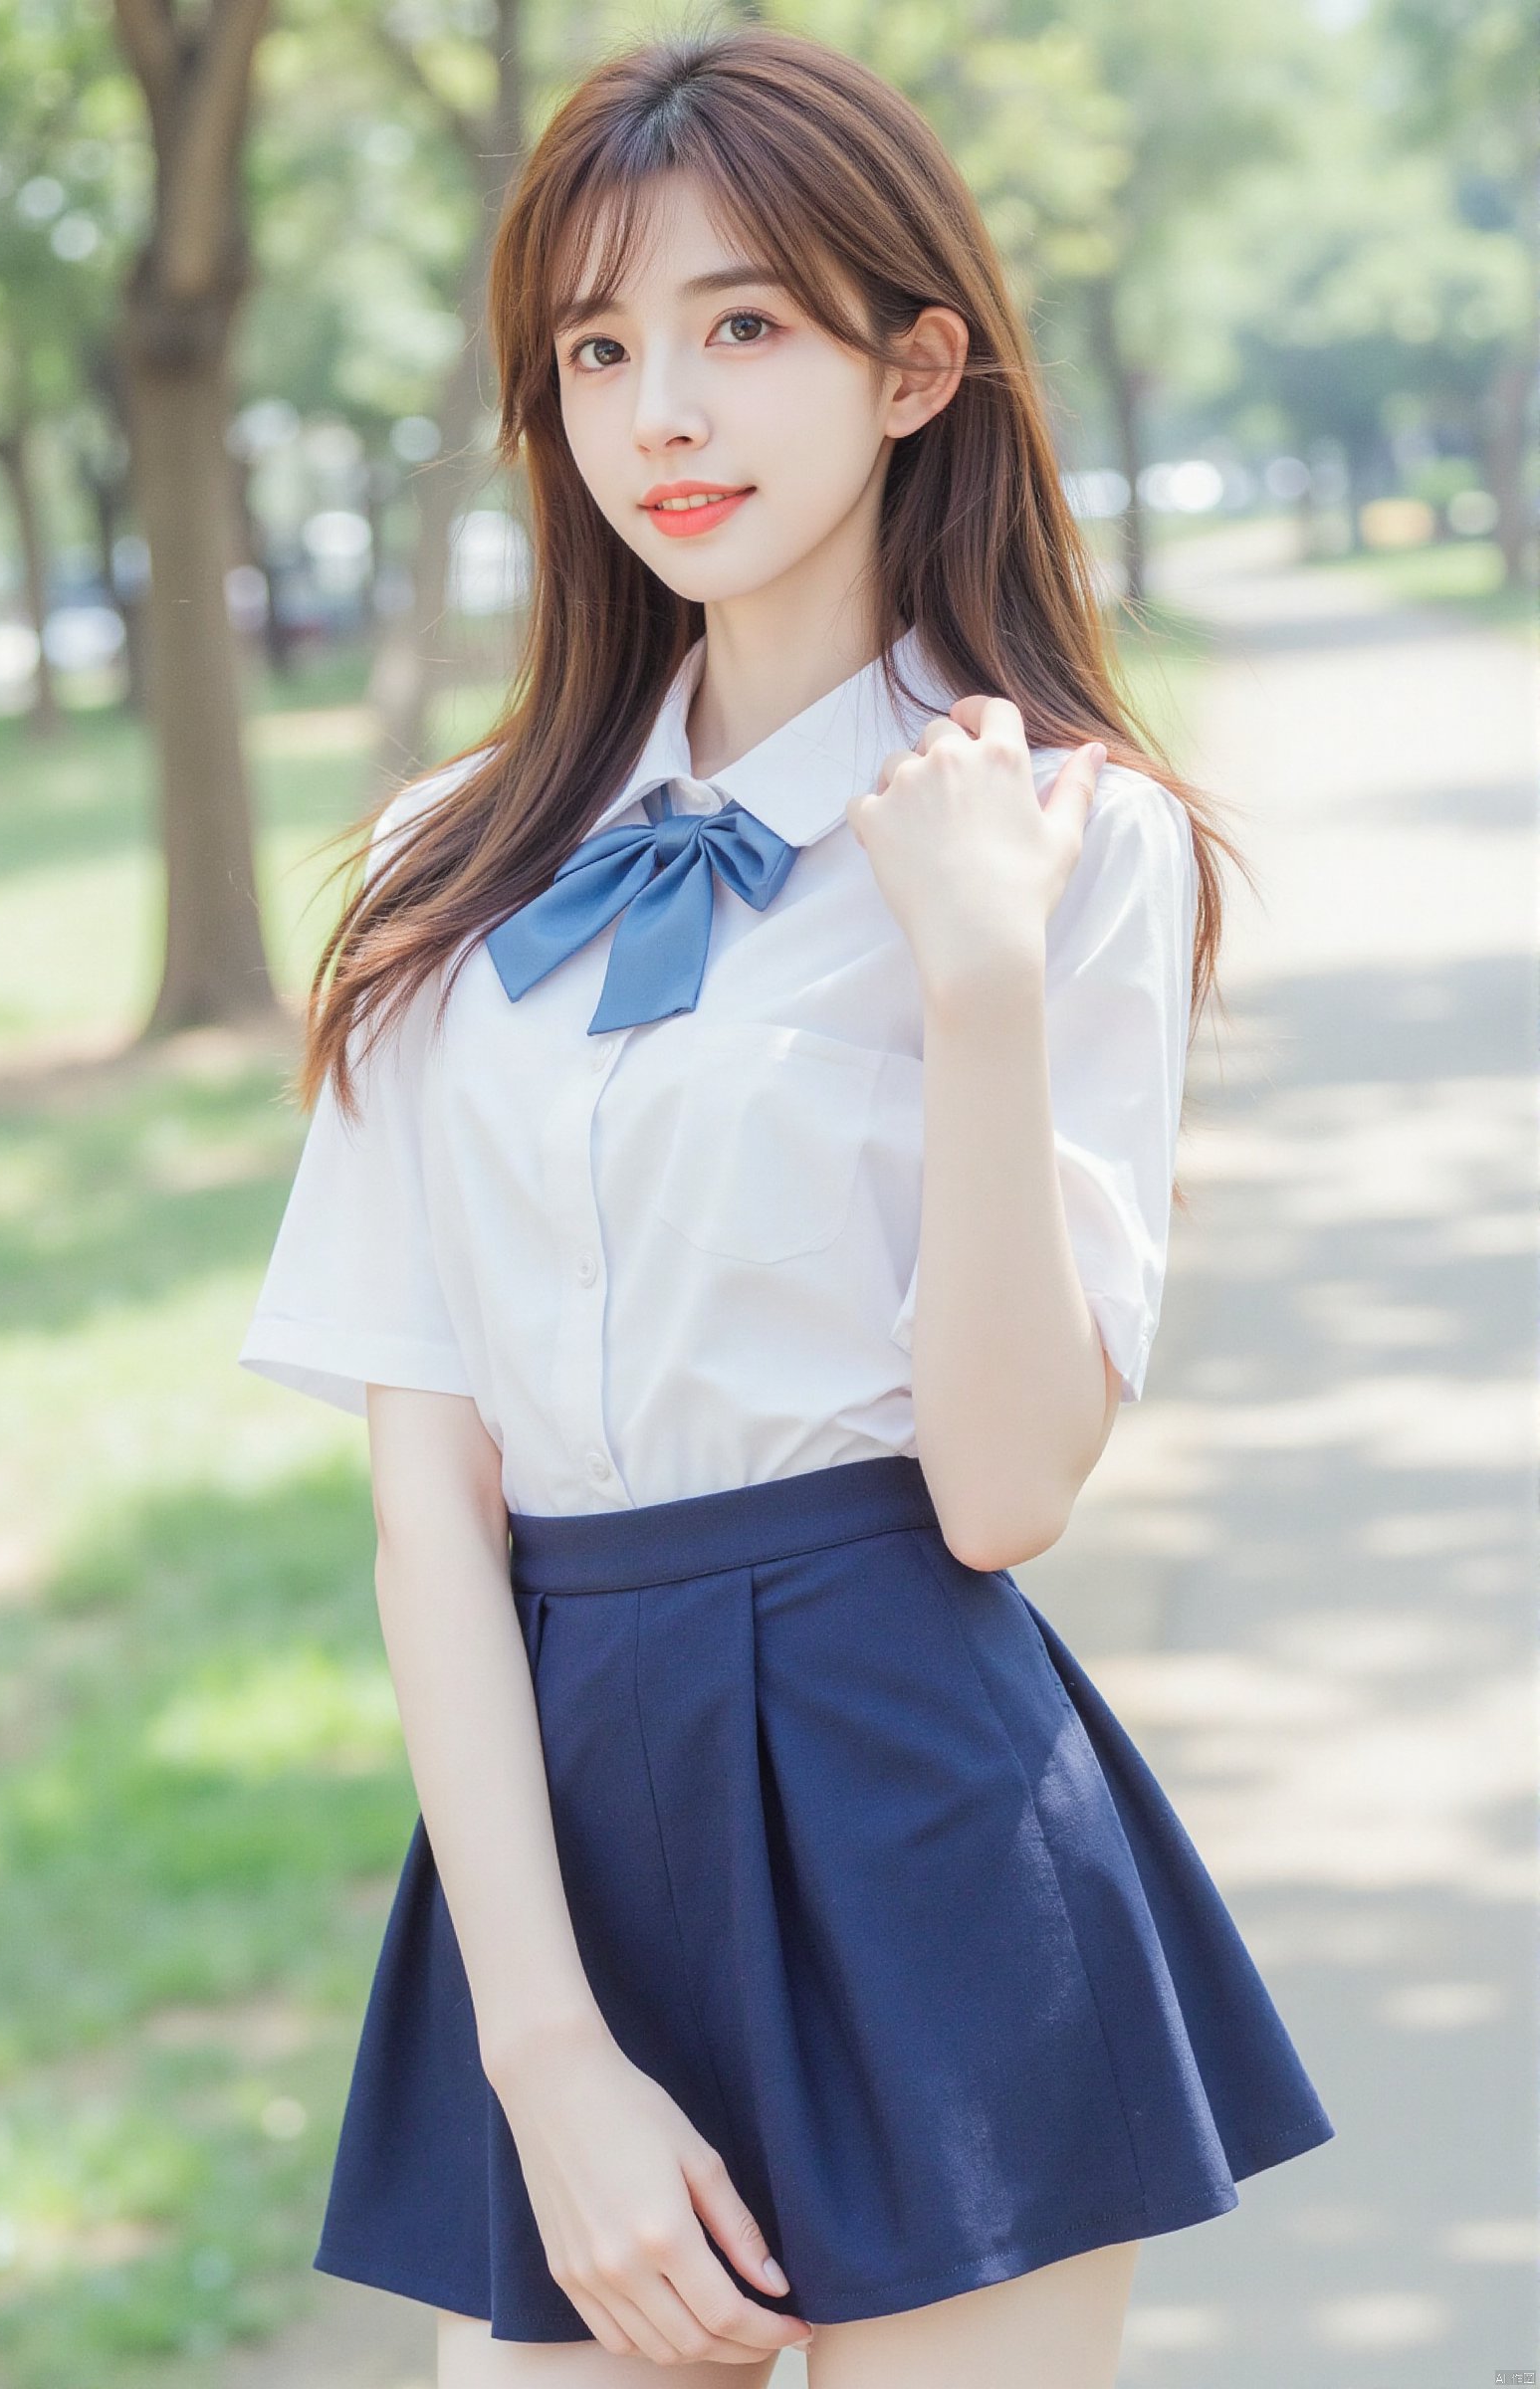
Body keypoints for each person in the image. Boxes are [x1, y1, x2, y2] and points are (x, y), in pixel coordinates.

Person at [238, 24, 1335, 2385]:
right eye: (601, 349)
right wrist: (542, 2055)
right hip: (563, 1824)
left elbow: (1012, 1482)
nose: (665, 416)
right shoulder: (456, 866)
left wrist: (977, 988)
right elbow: (430, 1498)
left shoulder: (1065, 837)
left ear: (915, 363)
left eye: (745, 329)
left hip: (918, 1796)